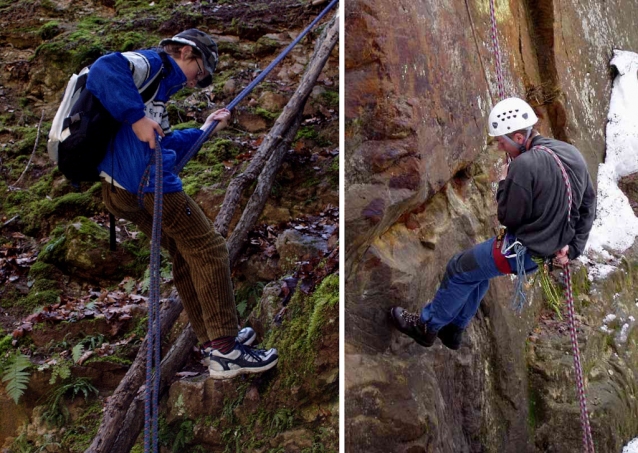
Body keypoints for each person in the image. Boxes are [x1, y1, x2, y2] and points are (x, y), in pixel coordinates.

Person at [86, 29, 278, 378]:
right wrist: (136, 117)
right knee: (209, 248)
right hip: (147, 183)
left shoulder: (157, 94)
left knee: (185, 253)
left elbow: (167, 147)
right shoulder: (152, 65)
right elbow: (103, 68)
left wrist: (205, 130)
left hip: (121, 191)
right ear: (187, 53)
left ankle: (210, 341)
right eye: (199, 72)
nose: (196, 81)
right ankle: (226, 349)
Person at [390, 97, 596, 350]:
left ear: (519, 138)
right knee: (475, 270)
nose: (500, 147)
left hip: (523, 250)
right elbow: (588, 203)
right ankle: (454, 329)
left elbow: (508, 217)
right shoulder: (571, 153)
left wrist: (504, 182)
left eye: (502, 142)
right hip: (547, 249)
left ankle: (426, 327)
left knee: (458, 269)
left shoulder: (523, 166)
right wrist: (574, 247)